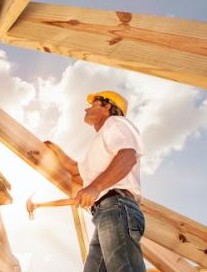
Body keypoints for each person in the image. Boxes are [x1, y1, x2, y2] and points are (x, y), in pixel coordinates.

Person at [45, 91, 146, 272]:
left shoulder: (116, 123)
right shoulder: (101, 142)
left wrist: (95, 188)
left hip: (117, 207)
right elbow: (77, 171)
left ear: (107, 107)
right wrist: (55, 150)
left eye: (93, 104)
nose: (87, 107)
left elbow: (127, 156)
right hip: (105, 213)